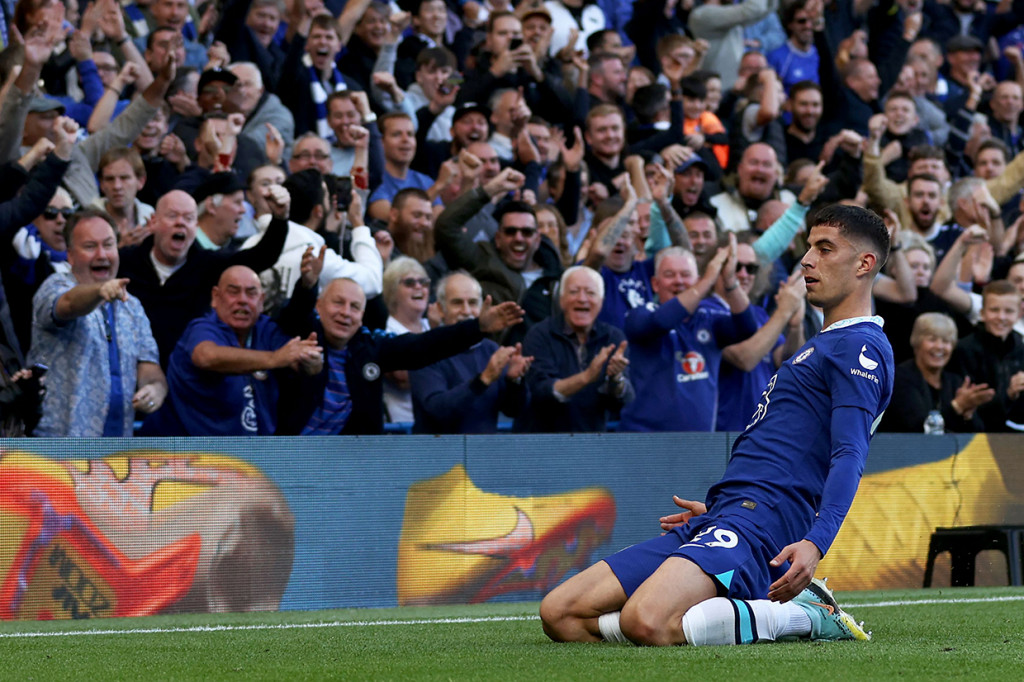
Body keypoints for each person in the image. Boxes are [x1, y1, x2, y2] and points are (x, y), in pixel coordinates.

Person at [539, 204, 893, 647]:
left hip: (768, 520)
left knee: (646, 620)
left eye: (825, 249)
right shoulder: (824, 346)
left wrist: (817, 543)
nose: (807, 260)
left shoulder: (861, 347)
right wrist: (728, 501)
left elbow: (849, 453)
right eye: (808, 248)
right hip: (730, 511)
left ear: (865, 264)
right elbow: (789, 443)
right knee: (560, 614)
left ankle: (805, 614)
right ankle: (715, 613)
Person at [275, 277, 525, 435]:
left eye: (355, 307)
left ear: (363, 315)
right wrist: (306, 287)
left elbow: (423, 346)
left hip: (346, 463)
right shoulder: (299, 334)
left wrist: (477, 328)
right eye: (337, 303)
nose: (345, 313)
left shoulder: (371, 347)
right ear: (319, 306)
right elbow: (290, 316)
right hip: (290, 454)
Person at [28, 209, 167, 437]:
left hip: (115, 454)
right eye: (90, 246)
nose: (102, 255)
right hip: (57, 451)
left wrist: (155, 389)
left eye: (108, 245)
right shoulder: (54, 287)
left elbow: (149, 366)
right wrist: (99, 291)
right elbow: (69, 304)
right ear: (70, 255)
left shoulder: (132, 306)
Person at [143, 265, 323, 436]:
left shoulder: (266, 330)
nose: (243, 300)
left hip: (249, 455)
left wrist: (312, 361)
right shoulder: (202, 328)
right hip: (182, 454)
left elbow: (301, 362)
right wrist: (274, 358)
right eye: (233, 292)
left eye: (251, 293)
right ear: (215, 297)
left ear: (261, 301)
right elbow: (206, 356)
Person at [514, 266, 633, 433]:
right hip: (541, 443)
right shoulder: (540, 335)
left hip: (591, 442)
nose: (582, 299)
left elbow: (622, 401)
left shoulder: (613, 338)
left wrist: (616, 379)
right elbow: (540, 392)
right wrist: (586, 377)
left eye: (590, 293)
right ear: (561, 299)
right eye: (574, 292)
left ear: (601, 301)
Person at [409, 271, 532, 433]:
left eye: (473, 303)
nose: (466, 311)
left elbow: (513, 410)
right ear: (440, 308)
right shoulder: (424, 351)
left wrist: (514, 381)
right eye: (457, 303)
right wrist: (484, 379)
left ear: (482, 308)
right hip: (438, 454)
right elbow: (437, 410)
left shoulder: (491, 350)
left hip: (482, 454)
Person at [878, 312, 990, 433]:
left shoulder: (956, 382)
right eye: (932, 340)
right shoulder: (900, 379)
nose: (939, 346)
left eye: (946, 341)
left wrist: (968, 414)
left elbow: (978, 433)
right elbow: (918, 427)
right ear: (917, 342)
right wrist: (957, 407)